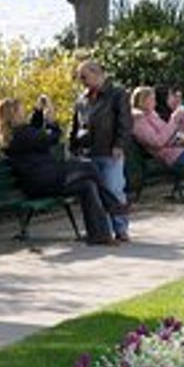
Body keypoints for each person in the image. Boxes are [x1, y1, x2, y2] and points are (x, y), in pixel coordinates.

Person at [0, 96, 120, 246]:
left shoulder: (13, 135)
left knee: (87, 185)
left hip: (39, 182)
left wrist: (39, 111)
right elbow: (52, 138)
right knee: (88, 166)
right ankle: (113, 205)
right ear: (14, 114)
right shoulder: (22, 135)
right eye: (21, 109)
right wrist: (52, 121)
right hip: (44, 182)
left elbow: (34, 132)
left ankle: (99, 235)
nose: (24, 111)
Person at [71, 60, 132, 243]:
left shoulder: (117, 94)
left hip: (109, 150)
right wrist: (73, 146)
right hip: (88, 152)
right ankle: (102, 231)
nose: (82, 81)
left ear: (97, 73)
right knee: (96, 193)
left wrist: (119, 145)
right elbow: (76, 125)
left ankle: (121, 228)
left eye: (84, 77)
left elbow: (125, 122)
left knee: (114, 189)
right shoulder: (82, 98)